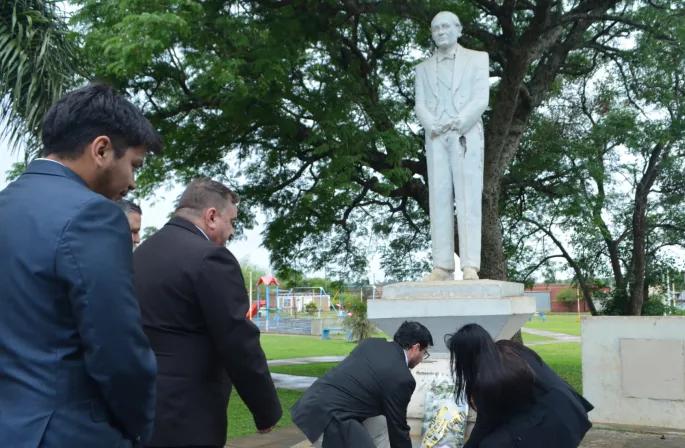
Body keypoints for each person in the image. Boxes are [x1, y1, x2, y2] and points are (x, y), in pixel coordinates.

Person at [0, 83, 161, 447]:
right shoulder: (94, 215)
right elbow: (118, 353)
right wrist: (139, 426)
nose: (133, 182)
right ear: (101, 149)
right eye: (134, 165)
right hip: (70, 432)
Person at [133, 178, 281, 447]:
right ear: (211, 216)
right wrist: (266, 410)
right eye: (232, 221)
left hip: (139, 407)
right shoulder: (210, 258)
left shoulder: (141, 254)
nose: (232, 231)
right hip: (188, 414)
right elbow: (238, 341)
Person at [414, 11, 490, 281]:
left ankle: (470, 264)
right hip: (436, 137)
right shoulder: (422, 69)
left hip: (465, 133)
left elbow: (481, 98)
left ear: (458, 29)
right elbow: (420, 104)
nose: (440, 32)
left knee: (468, 197)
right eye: (435, 28)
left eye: (445, 26)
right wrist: (432, 125)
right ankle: (442, 265)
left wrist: (458, 122)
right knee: (438, 198)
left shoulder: (478, 59)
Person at [446, 324, 594, 447]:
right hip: (573, 411)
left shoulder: (486, 378)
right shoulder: (511, 348)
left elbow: (485, 424)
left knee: (490, 445)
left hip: (553, 422)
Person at [291, 321, 433, 448]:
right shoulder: (402, 378)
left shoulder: (371, 344)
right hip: (329, 418)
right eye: (424, 353)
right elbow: (398, 428)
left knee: (382, 423)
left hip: (311, 403)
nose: (422, 359)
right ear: (416, 348)